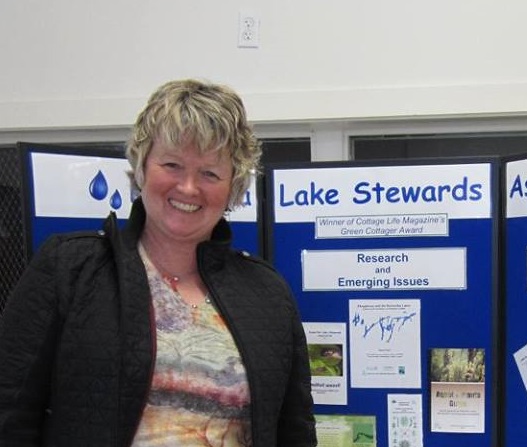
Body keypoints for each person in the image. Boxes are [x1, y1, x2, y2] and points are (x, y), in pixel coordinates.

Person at [0, 79, 317, 446]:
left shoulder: (266, 294)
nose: (188, 187)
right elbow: (9, 411)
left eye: (210, 173)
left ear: (233, 186)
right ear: (141, 167)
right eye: (172, 164)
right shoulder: (71, 269)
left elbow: (295, 432)